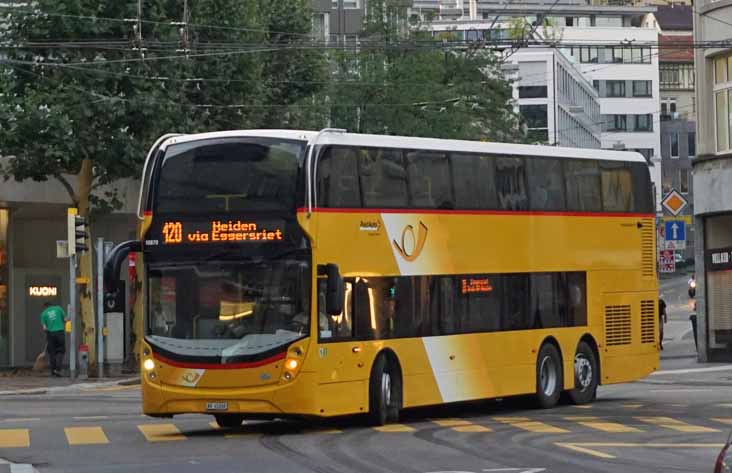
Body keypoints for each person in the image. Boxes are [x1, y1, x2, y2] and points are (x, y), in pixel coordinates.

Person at [40, 302, 67, 377]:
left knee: (52, 352)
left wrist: (48, 332)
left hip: (50, 334)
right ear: (52, 305)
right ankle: (58, 369)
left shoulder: (43, 313)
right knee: (61, 351)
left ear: (45, 307)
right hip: (60, 333)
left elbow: (44, 328)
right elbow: (65, 319)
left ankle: (53, 371)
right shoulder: (58, 308)